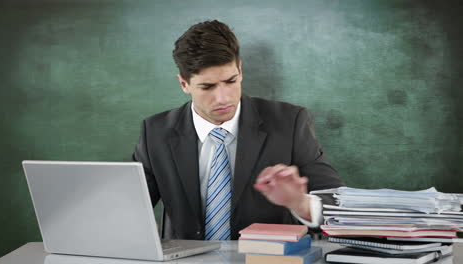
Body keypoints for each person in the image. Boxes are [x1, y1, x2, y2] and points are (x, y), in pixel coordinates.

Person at [133, 20, 344, 240]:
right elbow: (130, 208)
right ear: (184, 84)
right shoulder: (155, 133)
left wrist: (299, 203)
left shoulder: (290, 123)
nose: (223, 98)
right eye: (208, 87)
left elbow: (339, 208)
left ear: (240, 70)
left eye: (231, 81)